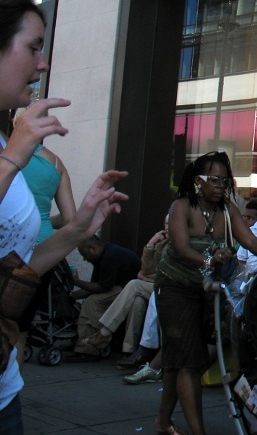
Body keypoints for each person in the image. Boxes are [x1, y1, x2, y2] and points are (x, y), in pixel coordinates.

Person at [0, 0, 128, 433]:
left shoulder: (6, 145)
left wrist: (77, 229)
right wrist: (13, 159)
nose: (43, 63)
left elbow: (20, 264)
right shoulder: (12, 152)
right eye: (34, 47)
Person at [154, 151, 257, 435]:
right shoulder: (181, 206)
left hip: (205, 290)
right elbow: (181, 247)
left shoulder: (226, 209)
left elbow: (248, 238)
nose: (220, 186)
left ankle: (163, 422)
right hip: (175, 287)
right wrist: (209, 259)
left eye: (224, 181)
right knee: (188, 362)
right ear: (198, 181)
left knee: (181, 361)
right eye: (214, 180)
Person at [14, 118, 76, 365]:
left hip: (9, 244)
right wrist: (44, 220)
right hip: (43, 250)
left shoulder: (10, 155)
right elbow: (70, 219)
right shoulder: (56, 163)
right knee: (20, 329)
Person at [80, 216, 168, 365]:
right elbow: (146, 270)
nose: (167, 227)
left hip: (169, 287)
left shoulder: (179, 245)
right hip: (154, 287)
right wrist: (150, 245)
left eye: (171, 223)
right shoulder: (162, 244)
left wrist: (145, 277)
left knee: (134, 285)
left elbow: (162, 275)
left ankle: (104, 333)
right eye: (165, 223)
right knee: (138, 301)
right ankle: (129, 351)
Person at [72, 236, 141, 356]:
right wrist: (73, 296)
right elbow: (94, 286)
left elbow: (103, 287)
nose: (84, 259)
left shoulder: (109, 256)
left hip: (130, 291)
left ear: (93, 248)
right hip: (122, 288)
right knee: (92, 300)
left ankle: (88, 345)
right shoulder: (102, 256)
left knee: (93, 302)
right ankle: (83, 340)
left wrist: (76, 282)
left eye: (84, 254)